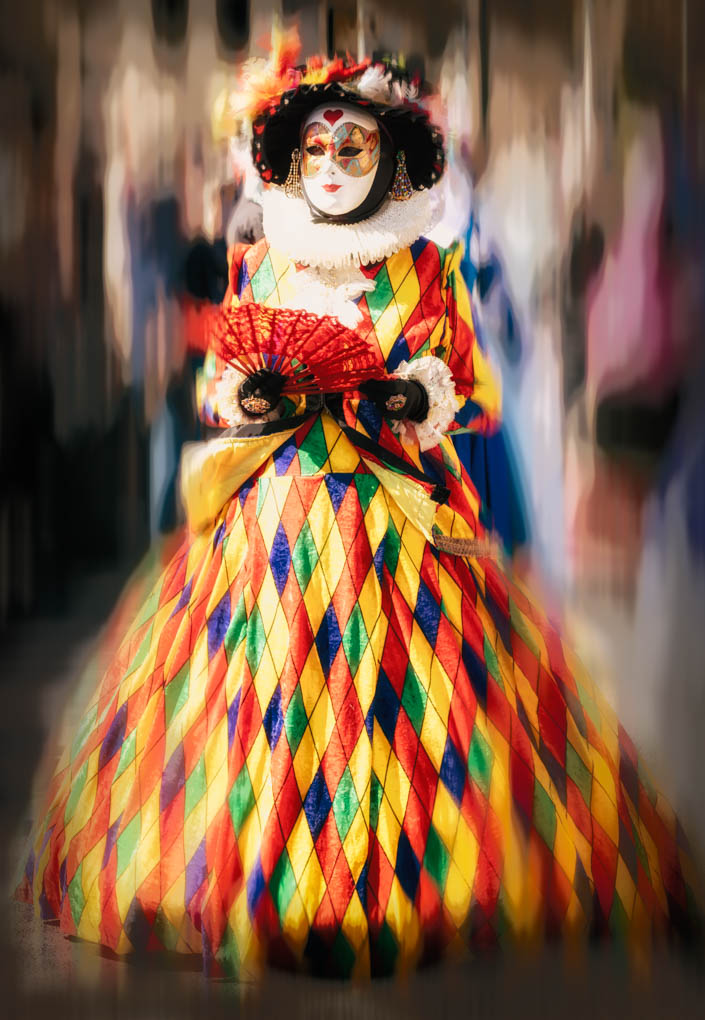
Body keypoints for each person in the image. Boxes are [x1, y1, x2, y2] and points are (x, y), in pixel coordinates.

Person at [18, 38, 699, 979]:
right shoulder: (260, 265)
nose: (335, 166)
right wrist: (253, 396)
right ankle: (276, 883)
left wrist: (417, 397)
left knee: (399, 704)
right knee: (274, 704)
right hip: (277, 529)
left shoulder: (425, 264)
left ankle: (393, 886)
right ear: (291, 163)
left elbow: (463, 378)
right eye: (318, 152)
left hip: (395, 526)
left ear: (390, 161)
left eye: (354, 149)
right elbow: (225, 383)